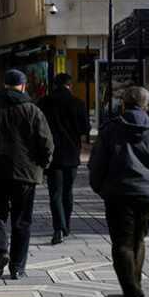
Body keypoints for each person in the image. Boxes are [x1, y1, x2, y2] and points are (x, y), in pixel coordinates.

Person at [88, 86, 149, 297]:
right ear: (146, 106)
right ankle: (134, 285)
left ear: (123, 104)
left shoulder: (111, 130)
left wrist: (99, 187)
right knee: (138, 240)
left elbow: (97, 164)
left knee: (122, 244)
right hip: (148, 195)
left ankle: (131, 296)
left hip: (118, 194)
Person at [0, 69, 54, 280]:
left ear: (4, 85)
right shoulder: (32, 110)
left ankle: (0, 252)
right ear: (23, 86)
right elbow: (47, 143)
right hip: (25, 173)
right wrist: (43, 166)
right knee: (22, 221)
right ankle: (17, 267)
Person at [37, 73, 91, 245]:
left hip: (51, 154)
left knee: (55, 193)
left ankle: (58, 228)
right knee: (68, 191)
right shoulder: (77, 103)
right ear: (70, 85)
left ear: (53, 85)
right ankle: (66, 225)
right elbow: (85, 128)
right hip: (71, 153)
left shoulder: (44, 102)